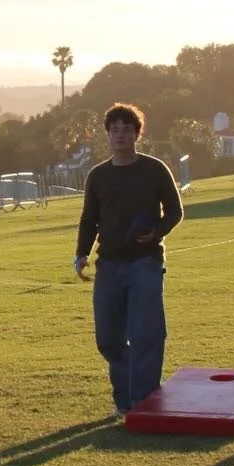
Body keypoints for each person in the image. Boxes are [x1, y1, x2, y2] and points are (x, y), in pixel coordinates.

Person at [74, 103, 183, 417]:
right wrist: (81, 254)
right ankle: (125, 399)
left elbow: (175, 211)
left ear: (137, 134)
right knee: (108, 338)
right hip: (108, 264)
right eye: (115, 130)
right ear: (108, 135)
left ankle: (142, 402)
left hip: (145, 262)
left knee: (146, 334)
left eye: (126, 129)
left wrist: (156, 232)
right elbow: (89, 218)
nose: (120, 135)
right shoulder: (98, 175)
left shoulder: (154, 169)